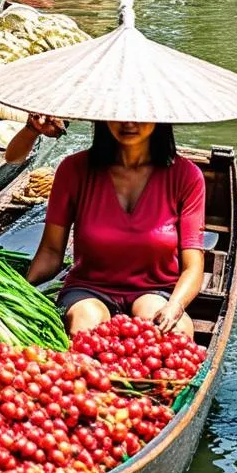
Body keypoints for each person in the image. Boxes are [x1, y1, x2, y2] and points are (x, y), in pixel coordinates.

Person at [26, 121, 206, 336]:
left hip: (156, 291)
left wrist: (175, 306)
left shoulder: (186, 175)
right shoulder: (73, 170)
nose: (128, 123)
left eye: (139, 115)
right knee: (86, 326)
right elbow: (51, 252)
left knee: (172, 332)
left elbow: (193, 266)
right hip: (88, 290)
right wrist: (19, 289)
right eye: (118, 114)